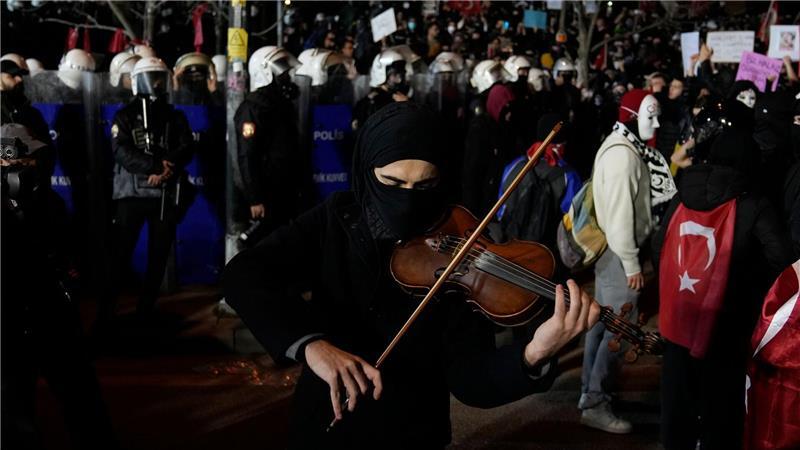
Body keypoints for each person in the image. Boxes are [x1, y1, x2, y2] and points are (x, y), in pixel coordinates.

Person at [223, 102, 599, 449]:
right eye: (392, 183)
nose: (407, 200)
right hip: (326, 421)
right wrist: (312, 345)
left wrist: (534, 353)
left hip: (415, 432)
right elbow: (244, 274)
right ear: (367, 169)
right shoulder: (336, 219)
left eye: (424, 185)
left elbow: (471, 382)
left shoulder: (459, 243)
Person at [652, 127, 795, 450]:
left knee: (677, 408)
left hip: (678, 319)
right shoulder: (753, 204)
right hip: (726, 325)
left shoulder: (681, 195)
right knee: (722, 411)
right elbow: (782, 259)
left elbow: (658, 247)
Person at [1, 124, 117, 449]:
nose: (35, 165)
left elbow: (67, 253)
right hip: (9, 323)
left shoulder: (48, 201)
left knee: (82, 399)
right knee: (14, 409)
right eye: (28, 158)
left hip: (51, 314)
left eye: (36, 157)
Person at [580, 89, 671, 434]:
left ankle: (593, 394)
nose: (657, 123)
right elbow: (619, 218)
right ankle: (595, 401)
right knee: (619, 332)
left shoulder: (622, 146)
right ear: (633, 116)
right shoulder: (624, 156)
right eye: (651, 116)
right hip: (620, 258)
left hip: (615, 256)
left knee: (602, 326)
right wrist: (633, 264)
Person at [102, 56, 194, 322]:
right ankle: (107, 312)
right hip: (131, 196)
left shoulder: (174, 115)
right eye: (150, 77)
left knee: (159, 255)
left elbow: (186, 145)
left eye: (159, 77)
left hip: (163, 195)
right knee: (121, 254)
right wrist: (154, 166)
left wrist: (167, 167)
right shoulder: (125, 115)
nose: (155, 83)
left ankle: (145, 310)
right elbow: (121, 151)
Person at [234, 46, 306, 234]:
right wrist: (255, 198)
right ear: (265, 73)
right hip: (267, 191)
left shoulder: (283, 104)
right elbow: (247, 154)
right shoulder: (252, 107)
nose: (287, 79)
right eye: (281, 74)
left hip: (286, 188)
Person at [0, 59, 54, 175]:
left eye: (20, 75)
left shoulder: (29, 111)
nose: (19, 79)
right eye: (12, 75)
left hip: (32, 182)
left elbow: (47, 153)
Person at [352, 49, 410, 131]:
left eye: (402, 73)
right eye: (396, 74)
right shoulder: (373, 103)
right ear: (382, 73)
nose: (400, 79)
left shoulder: (399, 97)